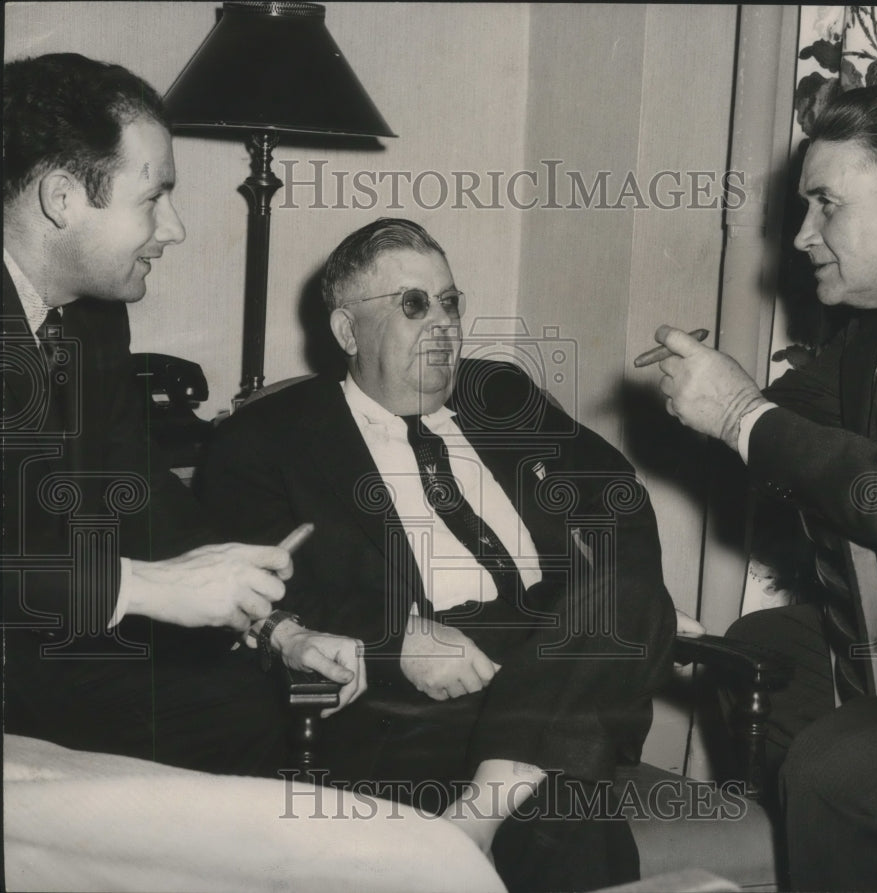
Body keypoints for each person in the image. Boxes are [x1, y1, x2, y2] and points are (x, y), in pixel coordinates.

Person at [199, 217, 681, 892]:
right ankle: (506, 790)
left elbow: (618, 499)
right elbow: (262, 588)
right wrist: (396, 638)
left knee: (631, 592)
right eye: (413, 304)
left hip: (557, 653)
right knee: (569, 803)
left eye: (450, 300)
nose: (444, 324)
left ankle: (476, 814)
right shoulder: (267, 439)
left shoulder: (501, 394)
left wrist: (614, 614)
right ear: (346, 331)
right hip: (419, 705)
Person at [646, 85, 877, 891]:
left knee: (839, 773)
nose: (802, 237)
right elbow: (805, 409)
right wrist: (717, 395)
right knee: (765, 654)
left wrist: (735, 412)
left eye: (824, 205)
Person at [2, 53, 366, 774]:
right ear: (61, 198)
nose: (176, 229)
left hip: (49, 655)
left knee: (287, 715)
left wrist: (274, 625)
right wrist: (146, 587)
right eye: (154, 197)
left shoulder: (95, 318)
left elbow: (132, 482)